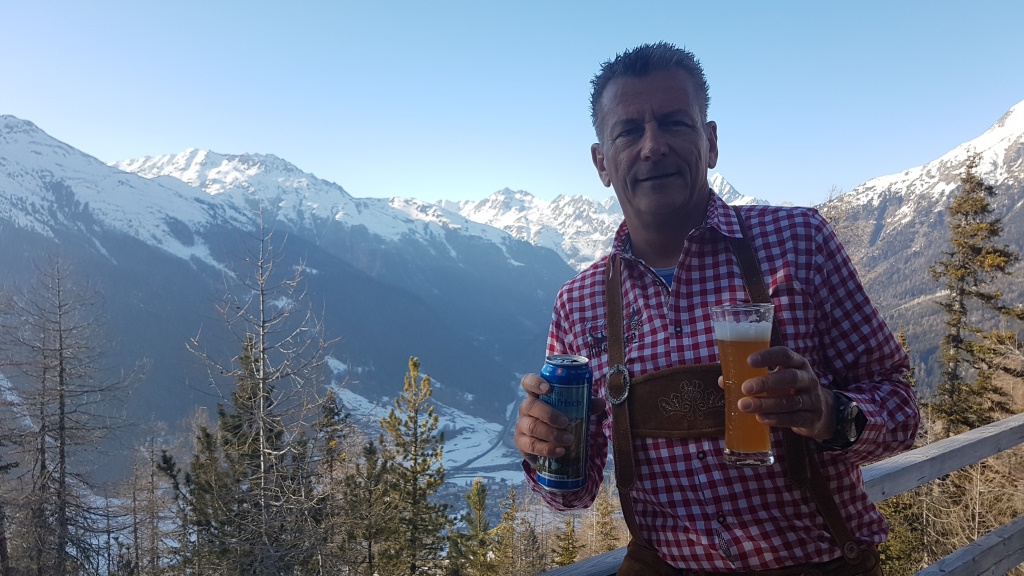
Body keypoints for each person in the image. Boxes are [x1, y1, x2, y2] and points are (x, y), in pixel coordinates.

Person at [514, 42, 919, 575]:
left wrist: (829, 414)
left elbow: (901, 408)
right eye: (628, 131)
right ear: (601, 163)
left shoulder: (800, 241)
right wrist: (545, 447)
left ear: (710, 143)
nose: (652, 146)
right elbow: (573, 493)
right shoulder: (579, 302)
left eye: (674, 123)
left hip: (816, 564)